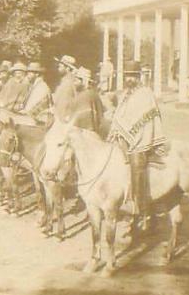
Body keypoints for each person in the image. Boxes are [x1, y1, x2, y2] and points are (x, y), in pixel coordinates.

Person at [108, 60, 167, 223]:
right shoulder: (126, 94)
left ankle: (142, 210)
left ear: (139, 76)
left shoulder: (145, 93)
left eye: (133, 76)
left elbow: (147, 118)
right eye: (127, 76)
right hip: (124, 138)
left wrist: (129, 134)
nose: (129, 79)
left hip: (142, 138)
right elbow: (122, 115)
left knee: (136, 164)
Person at [70, 67, 104, 134]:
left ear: (84, 81)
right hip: (92, 133)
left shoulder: (85, 96)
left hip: (84, 134)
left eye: (76, 80)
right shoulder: (93, 94)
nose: (74, 84)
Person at [52, 54, 78, 121]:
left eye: (61, 66)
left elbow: (63, 106)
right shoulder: (65, 81)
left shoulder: (67, 84)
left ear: (68, 68)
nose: (58, 68)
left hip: (61, 120)